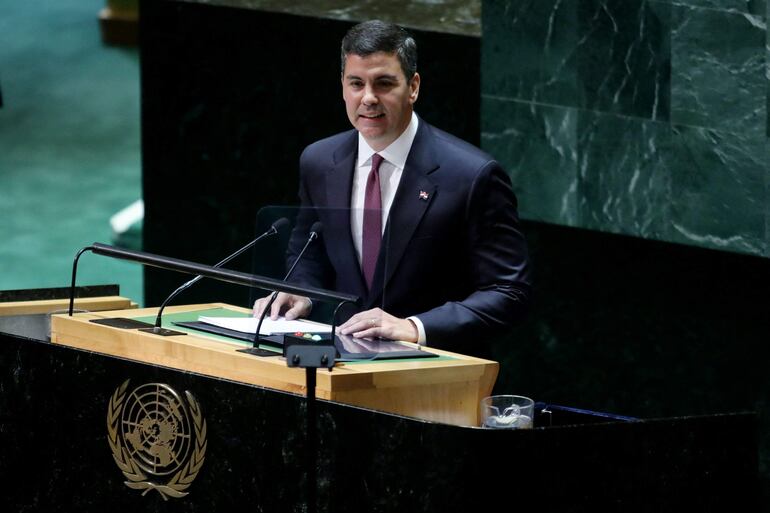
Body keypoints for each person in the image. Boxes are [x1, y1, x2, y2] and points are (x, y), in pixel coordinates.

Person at [254, 20, 531, 355]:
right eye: (356, 83)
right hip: (334, 364)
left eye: (384, 84)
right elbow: (308, 253)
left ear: (413, 86)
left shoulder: (472, 175)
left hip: (431, 378)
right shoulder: (319, 161)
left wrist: (414, 327)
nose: (368, 98)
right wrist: (300, 292)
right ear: (342, 86)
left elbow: (508, 291)